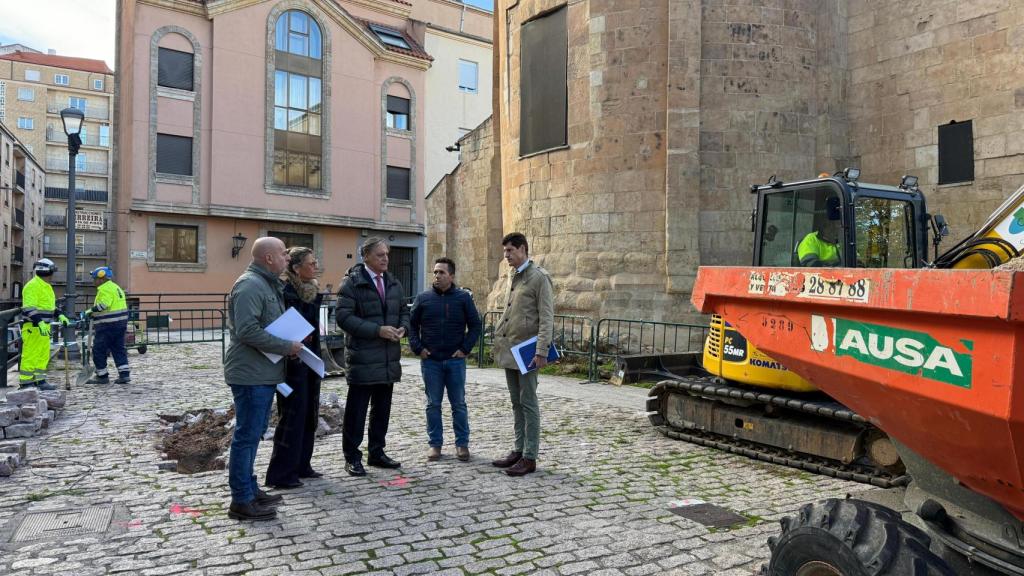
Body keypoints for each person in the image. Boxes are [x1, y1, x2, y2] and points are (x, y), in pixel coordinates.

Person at [223, 237, 303, 521]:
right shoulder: (250, 285)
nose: (287, 259)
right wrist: (286, 347)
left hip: (262, 372)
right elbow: (247, 330)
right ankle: (241, 500)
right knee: (246, 437)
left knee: (253, 436)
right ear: (268, 258)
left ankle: (249, 489)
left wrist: (289, 346)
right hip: (250, 374)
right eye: (283, 254)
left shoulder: (267, 284)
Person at [336, 237, 410, 477]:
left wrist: (403, 328)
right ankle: (352, 457)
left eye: (387, 254)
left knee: (382, 410)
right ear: (366, 256)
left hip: (388, 358)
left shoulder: (393, 283)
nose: (385, 258)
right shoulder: (352, 284)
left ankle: (376, 452)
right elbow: (344, 318)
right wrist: (376, 330)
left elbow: (403, 312)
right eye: (380, 255)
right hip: (363, 359)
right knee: (356, 412)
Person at [490, 232, 554, 477]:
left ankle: (530, 456)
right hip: (510, 349)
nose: (506, 256)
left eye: (510, 251)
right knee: (516, 402)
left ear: (523, 249)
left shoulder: (539, 278)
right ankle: (518, 449)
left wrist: (541, 351)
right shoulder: (513, 275)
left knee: (528, 403)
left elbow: (546, 318)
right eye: (505, 251)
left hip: (528, 351)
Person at [409, 257, 482, 462]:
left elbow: (476, 325)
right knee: (433, 404)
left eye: (441, 272)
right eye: (435, 272)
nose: (437, 276)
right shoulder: (423, 298)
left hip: (455, 361)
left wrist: (465, 349)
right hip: (431, 361)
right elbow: (411, 325)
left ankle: (462, 444)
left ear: (451, 275)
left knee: (458, 404)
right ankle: (435, 444)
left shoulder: (463, 298)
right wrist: (418, 348)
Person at [265, 247, 324, 489]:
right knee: (292, 415)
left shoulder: (312, 290)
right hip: (291, 362)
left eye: (315, 261)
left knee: (309, 413)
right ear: (296, 268)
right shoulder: (286, 291)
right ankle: (282, 472)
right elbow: (288, 324)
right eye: (311, 263)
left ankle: (302, 464)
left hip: (310, 359)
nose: (315, 266)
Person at [19, 259, 68, 390]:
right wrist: (39, 322)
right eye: (52, 272)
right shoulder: (32, 286)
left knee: (42, 354)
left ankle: (40, 380)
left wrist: (60, 314)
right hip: (33, 327)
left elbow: (50, 306)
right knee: (31, 354)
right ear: (48, 272)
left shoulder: (46, 286)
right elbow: (29, 308)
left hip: (44, 328)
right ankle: (26, 382)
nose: (53, 275)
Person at [84, 266, 131, 385]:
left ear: (101, 278)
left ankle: (102, 376)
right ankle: (124, 375)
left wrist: (90, 312)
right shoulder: (116, 287)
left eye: (94, 278)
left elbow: (103, 305)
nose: (94, 281)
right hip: (120, 324)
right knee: (118, 349)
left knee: (99, 350)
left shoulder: (105, 288)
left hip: (107, 325)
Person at [797, 196, 843, 267]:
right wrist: (835, 268)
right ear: (824, 225)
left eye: (839, 224)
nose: (838, 227)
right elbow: (810, 264)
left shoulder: (843, 241)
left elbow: (857, 261)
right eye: (835, 224)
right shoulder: (811, 240)